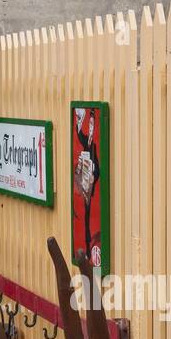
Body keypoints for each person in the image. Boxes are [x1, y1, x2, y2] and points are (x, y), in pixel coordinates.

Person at [74, 106, 100, 260]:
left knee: (88, 214)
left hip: (90, 183)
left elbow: (97, 168)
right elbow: (78, 134)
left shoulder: (93, 145)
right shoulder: (85, 142)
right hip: (84, 184)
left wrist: (93, 175)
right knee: (85, 214)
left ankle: (89, 249)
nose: (90, 128)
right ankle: (86, 248)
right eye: (89, 125)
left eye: (92, 125)